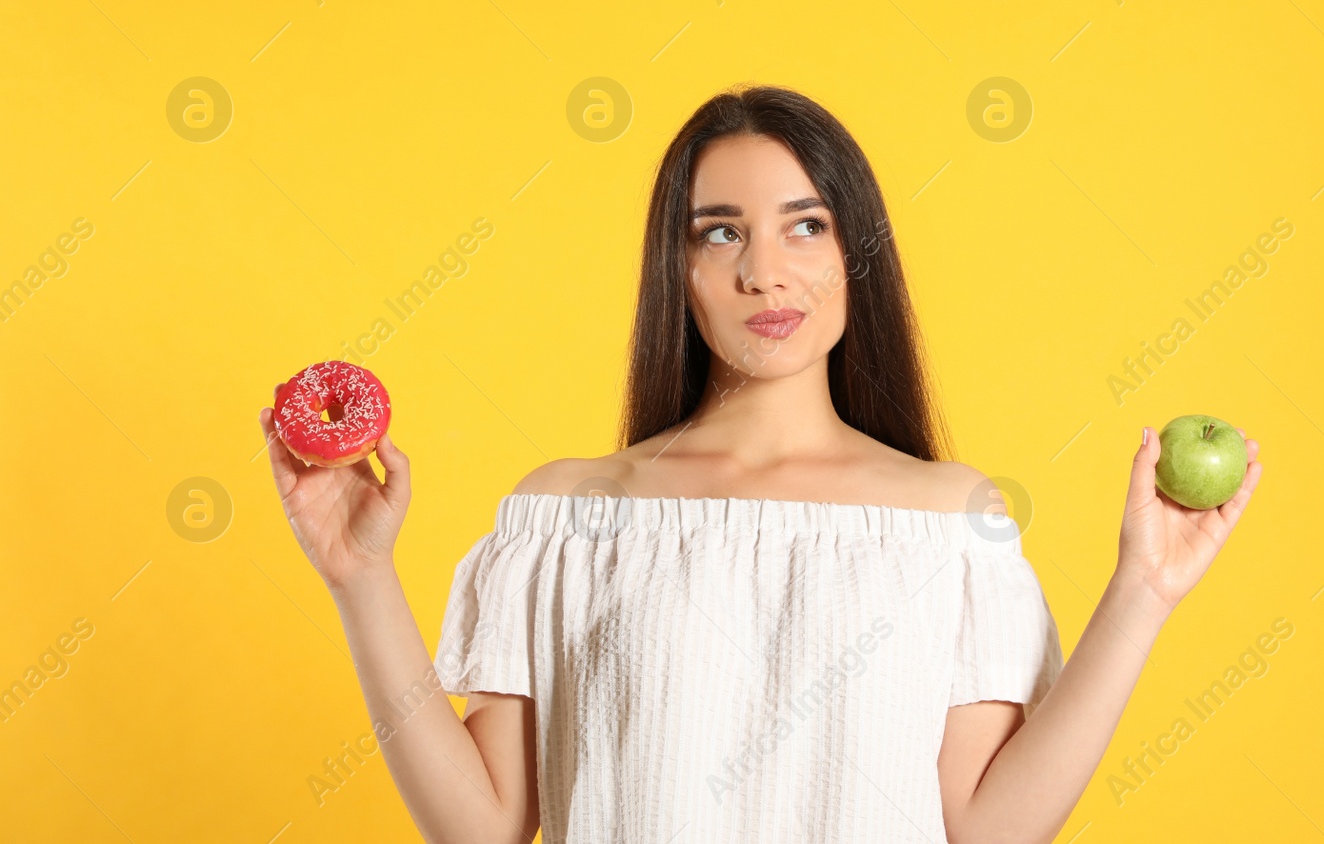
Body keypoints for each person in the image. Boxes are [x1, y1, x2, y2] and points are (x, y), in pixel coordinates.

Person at [259, 85, 1263, 843]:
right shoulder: (567, 514)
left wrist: (1143, 587)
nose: (764, 269)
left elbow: (988, 827)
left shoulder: (950, 520)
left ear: (851, 255)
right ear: (681, 271)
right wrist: (361, 578)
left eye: (806, 225)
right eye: (720, 232)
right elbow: (479, 827)